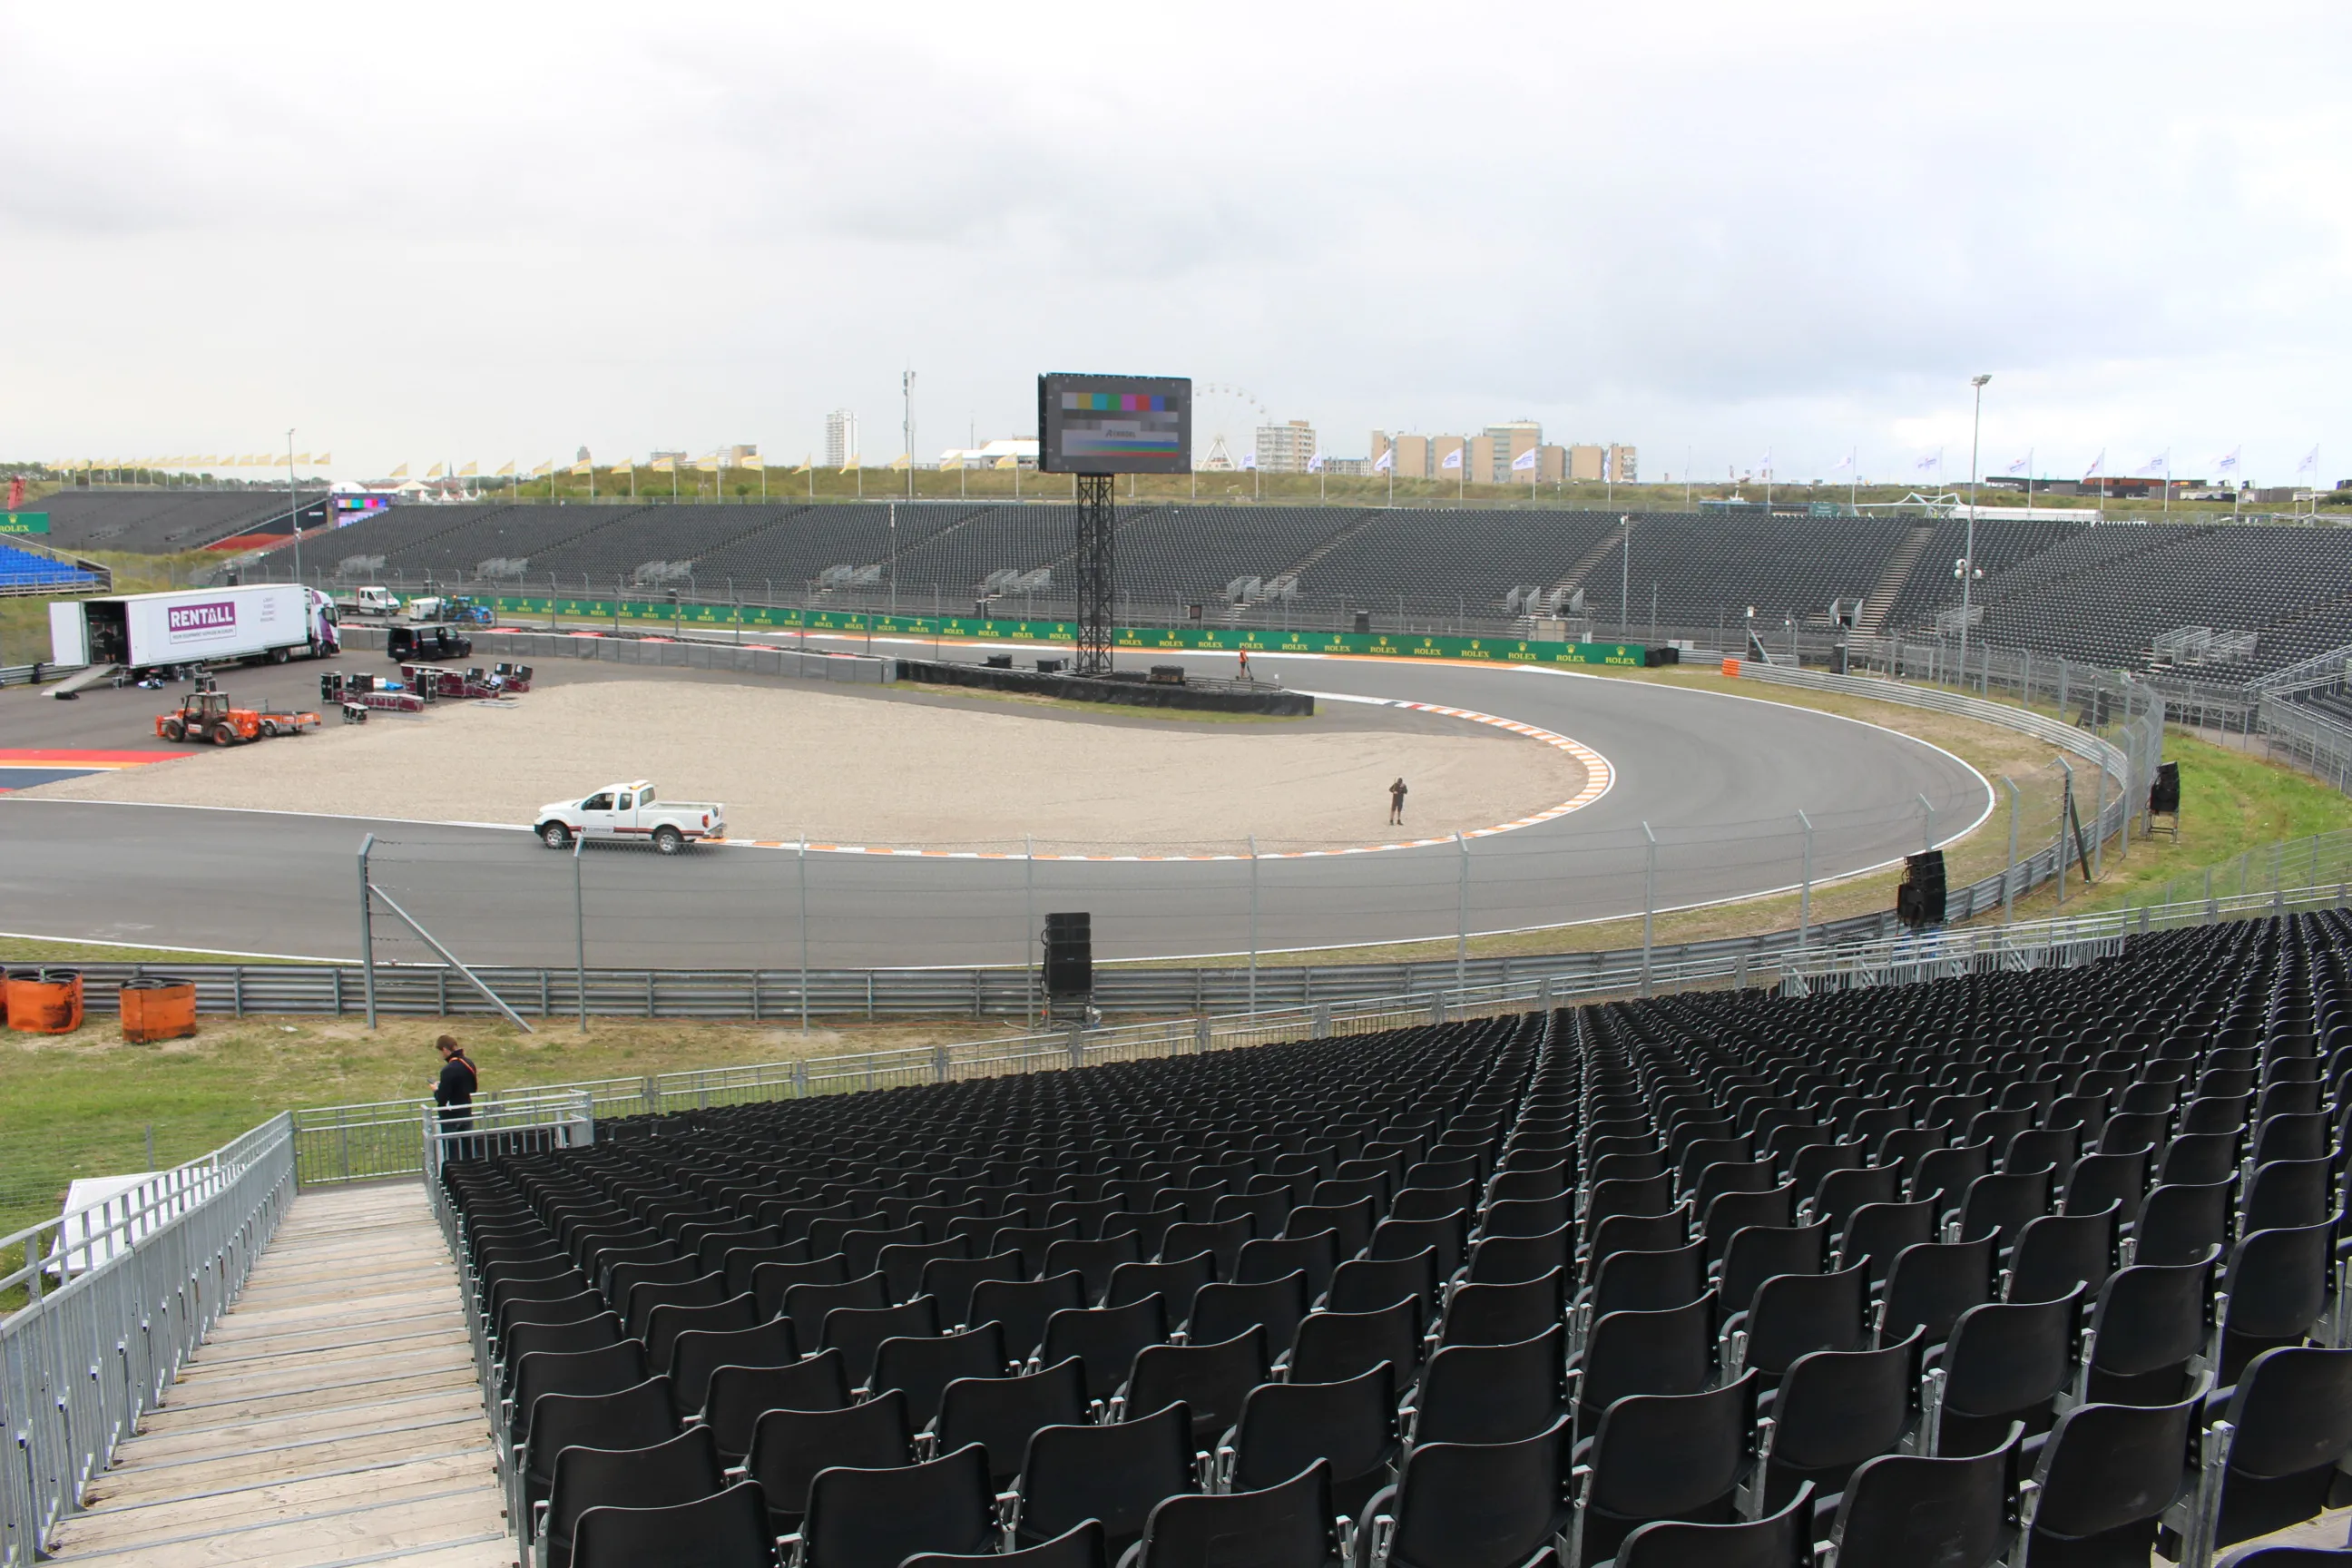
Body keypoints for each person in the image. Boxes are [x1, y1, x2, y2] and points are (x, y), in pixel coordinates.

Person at [432, 1034, 479, 1162]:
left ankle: (456, 1178)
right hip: (466, 1110)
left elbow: (442, 1098)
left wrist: (436, 1090)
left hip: (450, 1115)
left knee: (452, 1154)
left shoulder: (448, 1070)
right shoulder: (468, 1063)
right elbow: (473, 1087)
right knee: (470, 1150)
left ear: (445, 1050)